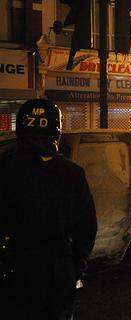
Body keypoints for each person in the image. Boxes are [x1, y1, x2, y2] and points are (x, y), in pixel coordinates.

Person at [0, 98, 97, 320]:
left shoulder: (5, 167)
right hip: (58, 270)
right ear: (57, 132)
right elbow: (86, 227)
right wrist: (75, 266)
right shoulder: (72, 173)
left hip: (15, 270)